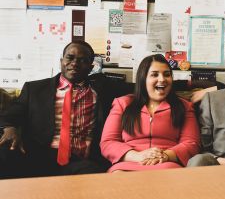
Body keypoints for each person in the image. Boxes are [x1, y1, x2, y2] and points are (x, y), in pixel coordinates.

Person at [0, 41, 133, 178]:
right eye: (70, 57)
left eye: (83, 60)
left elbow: (141, 88)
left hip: (80, 162)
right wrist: (9, 128)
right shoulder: (34, 89)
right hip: (37, 156)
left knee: (94, 174)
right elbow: (9, 116)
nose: (75, 63)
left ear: (91, 67)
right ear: (61, 61)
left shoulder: (103, 91)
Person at [100, 54, 200, 172]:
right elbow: (108, 142)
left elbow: (192, 143)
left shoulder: (184, 107)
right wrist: (138, 156)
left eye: (167, 74)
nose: (162, 79)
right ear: (143, 79)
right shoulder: (122, 104)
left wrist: (166, 155)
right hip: (127, 163)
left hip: (166, 164)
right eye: (154, 74)